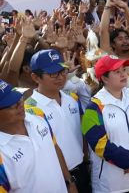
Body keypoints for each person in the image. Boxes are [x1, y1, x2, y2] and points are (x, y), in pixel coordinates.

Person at [82, 55, 129, 193]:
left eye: (124, 69)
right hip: (113, 184)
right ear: (104, 78)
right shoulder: (94, 107)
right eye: (116, 72)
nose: (123, 74)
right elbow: (99, 144)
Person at [25, 49, 91, 192]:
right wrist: (68, 181)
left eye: (62, 71)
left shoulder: (72, 98)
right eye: (53, 73)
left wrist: (87, 160)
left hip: (82, 169)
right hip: (58, 178)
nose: (60, 77)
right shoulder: (29, 110)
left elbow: (80, 132)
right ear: (35, 77)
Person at [0, 79, 78, 193]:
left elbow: (54, 147)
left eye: (19, 98)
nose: (20, 104)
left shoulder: (37, 114)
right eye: (10, 104)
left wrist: (69, 181)